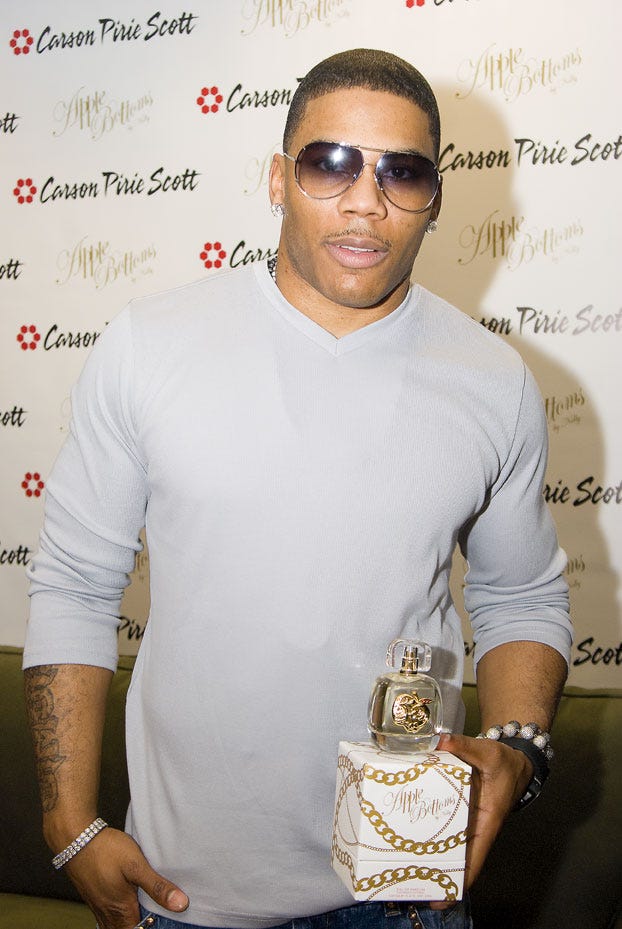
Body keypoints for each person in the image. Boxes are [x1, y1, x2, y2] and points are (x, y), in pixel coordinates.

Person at [23, 48, 572, 929]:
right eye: (331, 163)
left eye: (402, 172)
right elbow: (76, 586)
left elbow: (522, 597)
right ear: (278, 179)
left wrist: (517, 749)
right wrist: (67, 820)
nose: (366, 201)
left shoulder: (493, 380)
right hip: (185, 898)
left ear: (435, 198)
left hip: (408, 895)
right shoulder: (149, 347)